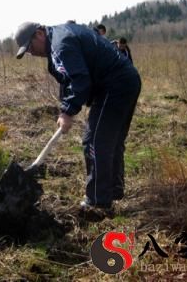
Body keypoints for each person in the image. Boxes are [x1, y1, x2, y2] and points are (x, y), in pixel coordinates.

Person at [15, 21, 141, 216]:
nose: (32, 53)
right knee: (112, 142)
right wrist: (65, 107)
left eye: (30, 47)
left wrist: (68, 111)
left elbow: (80, 79)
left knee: (95, 141)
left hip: (114, 85)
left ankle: (97, 203)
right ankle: (113, 191)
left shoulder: (60, 44)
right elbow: (68, 79)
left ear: (39, 34)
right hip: (127, 80)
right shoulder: (59, 37)